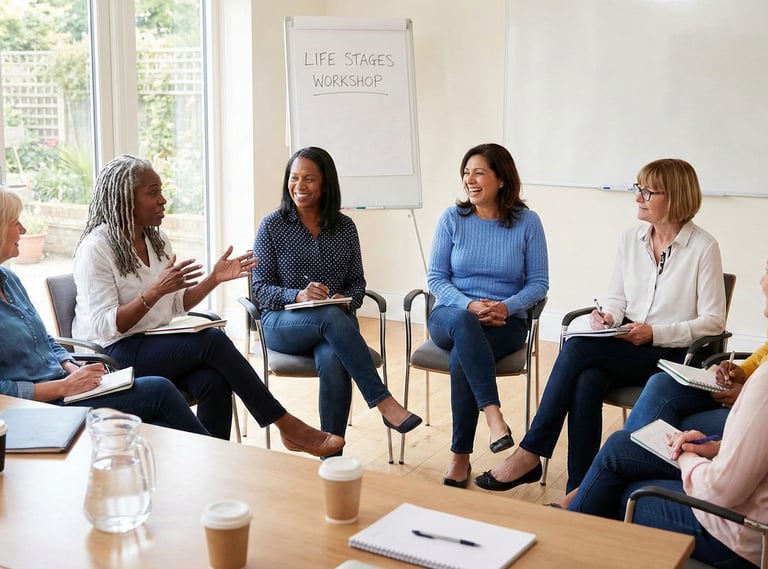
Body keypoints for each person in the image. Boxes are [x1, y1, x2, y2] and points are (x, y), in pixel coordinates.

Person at [475, 158, 726, 493]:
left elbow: (714, 321)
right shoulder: (630, 239)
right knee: (587, 381)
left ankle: (530, 452)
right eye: (639, 189)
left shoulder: (703, 247)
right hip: (628, 346)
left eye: (648, 192)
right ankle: (579, 491)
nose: (638, 197)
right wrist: (608, 316)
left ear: (675, 196)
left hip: (673, 356)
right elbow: (617, 298)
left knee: (578, 348)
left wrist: (656, 333)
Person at [71, 154, 344, 457]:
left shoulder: (156, 240)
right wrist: (154, 290)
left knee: (213, 381)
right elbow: (107, 325)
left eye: (160, 190)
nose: (162, 199)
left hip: (153, 344)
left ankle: (213, 465)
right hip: (113, 353)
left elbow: (177, 305)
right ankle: (286, 425)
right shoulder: (96, 248)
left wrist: (214, 278)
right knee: (212, 341)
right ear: (125, 199)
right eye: (152, 192)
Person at [565, 262, 768, 569]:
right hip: (748, 515)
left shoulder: (763, 388)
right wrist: (714, 448)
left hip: (742, 538)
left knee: (620, 485)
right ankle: (575, 514)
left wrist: (688, 457)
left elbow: (721, 490)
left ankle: (562, 538)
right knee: (619, 419)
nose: (764, 311)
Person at [251, 146, 421, 453]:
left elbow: (358, 282)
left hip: (332, 326)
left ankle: (331, 452)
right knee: (331, 319)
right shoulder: (272, 225)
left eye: (309, 179)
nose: (299, 187)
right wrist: (297, 295)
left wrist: (347, 298)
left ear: (326, 184)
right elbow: (260, 289)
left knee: (333, 358)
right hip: (283, 323)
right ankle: (383, 401)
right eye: (294, 178)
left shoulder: (345, 227)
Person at [0, 188, 207, 434]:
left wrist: (72, 369)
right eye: (15, 223)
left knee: (160, 426)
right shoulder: (96, 247)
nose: (23, 230)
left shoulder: (9, 279)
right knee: (159, 390)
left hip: (65, 387)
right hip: (37, 407)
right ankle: (224, 465)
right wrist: (63, 387)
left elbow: (45, 339)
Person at [424, 143, 548, 488]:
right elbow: (436, 278)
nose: (470, 179)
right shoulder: (452, 219)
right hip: (451, 315)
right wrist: (470, 305)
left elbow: (539, 283)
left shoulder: (527, 223)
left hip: (505, 322)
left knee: (461, 360)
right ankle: (495, 417)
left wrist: (505, 307)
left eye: (479, 172)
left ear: (502, 179)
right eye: (466, 172)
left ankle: (459, 458)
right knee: (465, 325)